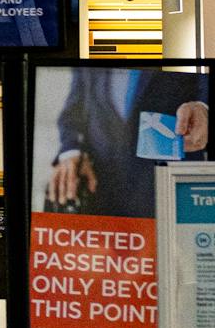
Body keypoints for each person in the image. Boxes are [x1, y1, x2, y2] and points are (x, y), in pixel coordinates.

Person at [46, 68, 208, 218]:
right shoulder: (90, 48)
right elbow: (72, 113)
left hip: (170, 194)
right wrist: (71, 151)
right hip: (103, 193)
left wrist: (205, 109)